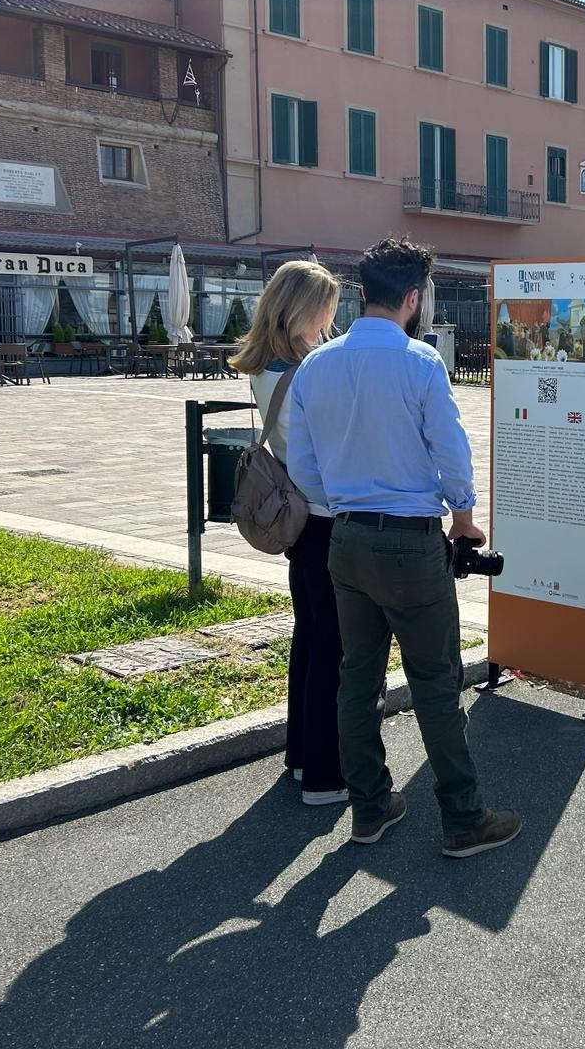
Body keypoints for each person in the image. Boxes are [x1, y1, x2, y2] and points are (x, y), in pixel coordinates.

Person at [288, 238, 521, 858]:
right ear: (414, 298)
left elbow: (304, 469)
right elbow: (452, 451)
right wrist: (465, 521)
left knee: (355, 680)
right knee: (435, 683)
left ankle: (369, 807)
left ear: (364, 293)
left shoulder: (316, 366)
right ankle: (463, 818)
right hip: (412, 544)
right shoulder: (420, 363)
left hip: (345, 538)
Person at [228, 260, 347, 807]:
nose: (333, 315)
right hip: (325, 516)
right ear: (304, 308)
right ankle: (324, 774)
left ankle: (301, 756)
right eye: (327, 305)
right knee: (332, 649)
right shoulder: (312, 370)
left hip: (296, 519)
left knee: (310, 640)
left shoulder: (265, 366)